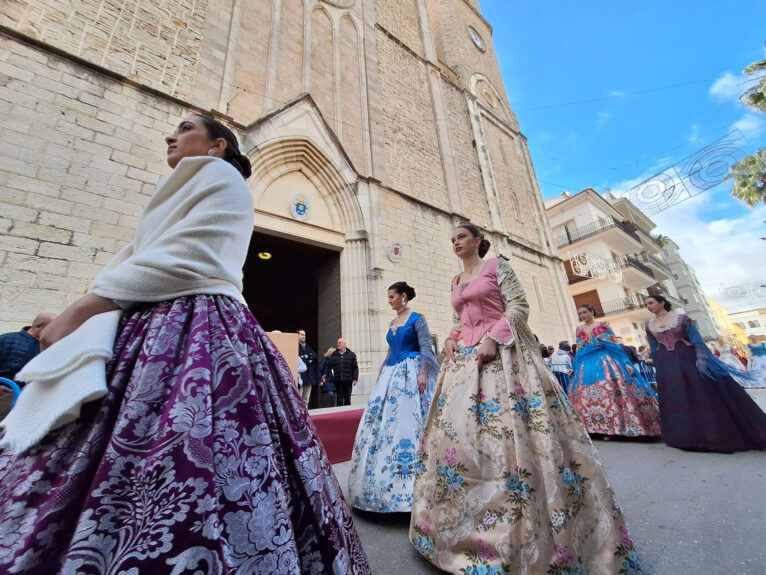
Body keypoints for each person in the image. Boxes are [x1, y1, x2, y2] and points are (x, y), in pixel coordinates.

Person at [0, 114, 370, 573]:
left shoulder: (220, 176)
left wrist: (83, 307)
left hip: (194, 323)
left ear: (217, 147)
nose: (170, 134)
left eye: (185, 127)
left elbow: (190, 255)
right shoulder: (193, 181)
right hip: (159, 318)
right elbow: (143, 253)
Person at [410, 223, 643, 575]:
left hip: (502, 358)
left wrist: (496, 337)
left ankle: (527, 536)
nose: (455, 243)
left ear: (477, 241)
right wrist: (452, 338)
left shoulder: (497, 266)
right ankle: (454, 531)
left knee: (512, 439)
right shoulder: (455, 281)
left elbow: (518, 305)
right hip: (464, 364)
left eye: (461, 237)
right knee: (457, 441)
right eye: (452, 239)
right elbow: (458, 319)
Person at [348, 282, 439, 512]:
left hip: (411, 371)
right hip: (392, 372)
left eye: (391, 297)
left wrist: (423, 373)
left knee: (409, 421)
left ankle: (415, 486)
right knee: (383, 424)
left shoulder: (417, 318)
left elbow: (426, 347)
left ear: (403, 297)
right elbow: (390, 351)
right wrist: (381, 375)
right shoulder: (392, 322)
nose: (388, 300)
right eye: (388, 297)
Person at [645, 295, 766, 453]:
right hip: (667, 363)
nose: (648, 306)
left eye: (651, 303)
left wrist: (701, 358)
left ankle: (714, 434)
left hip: (688, 358)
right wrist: (658, 366)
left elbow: (697, 340)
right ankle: (686, 436)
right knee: (678, 396)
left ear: (662, 303)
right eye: (646, 304)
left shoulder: (681, 319)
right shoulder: (649, 325)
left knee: (701, 394)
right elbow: (654, 347)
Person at [569, 305, 661, 438]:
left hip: (604, 360)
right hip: (585, 363)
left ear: (592, 311)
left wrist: (624, 362)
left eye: (584, 312)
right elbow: (579, 347)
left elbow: (613, 344)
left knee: (611, 390)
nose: (582, 315)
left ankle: (617, 427)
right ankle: (594, 427)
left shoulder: (603, 325)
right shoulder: (579, 329)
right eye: (580, 313)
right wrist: (575, 365)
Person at [0, 312, 56, 383]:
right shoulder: (6, 340)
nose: (55, 331)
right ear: (39, 326)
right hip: (8, 391)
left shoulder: (51, 346)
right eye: (53, 328)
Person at [322, 338, 358, 406]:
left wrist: (355, 378)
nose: (338, 344)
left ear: (344, 344)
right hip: (338, 380)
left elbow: (355, 368)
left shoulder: (351, 355)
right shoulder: (334, 355)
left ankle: (348, 414)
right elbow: (328, 366)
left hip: (348, 380)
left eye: (340, 343)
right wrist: (325, 374)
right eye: (337, 342)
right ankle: (340, 414)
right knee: (339, 399)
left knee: (347, 398)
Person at [297, 329, 319, 405]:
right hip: (300, 377)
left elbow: (315, 356)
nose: (304, 336)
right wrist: (308, 357)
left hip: (309, 376)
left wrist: (305, 357)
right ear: (297, 335)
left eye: (305, 335)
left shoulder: (308, 347)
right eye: (302, 335)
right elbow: (297, 359)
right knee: (298, 399)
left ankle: (306, 415)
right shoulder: (294, 346)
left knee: (306, 399)